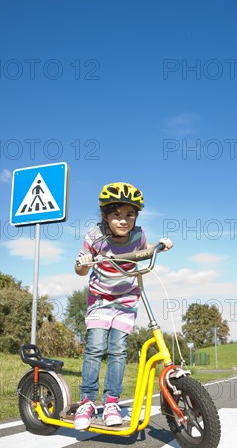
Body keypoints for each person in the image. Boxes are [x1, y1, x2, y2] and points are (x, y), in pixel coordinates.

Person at [73, 182, 173, 429]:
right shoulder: (94, 237)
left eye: (130, 214)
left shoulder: (139, 235)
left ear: (136, 217)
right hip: (99, 300)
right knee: (95, 348)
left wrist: (160, 246)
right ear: (105, 216)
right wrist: (85, 262)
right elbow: (79, 270)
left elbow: (143, 252)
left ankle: (111, 403)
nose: (123, 220)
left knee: (118, 350)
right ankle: (86, 402)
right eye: (116, 214)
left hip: (127, 300)